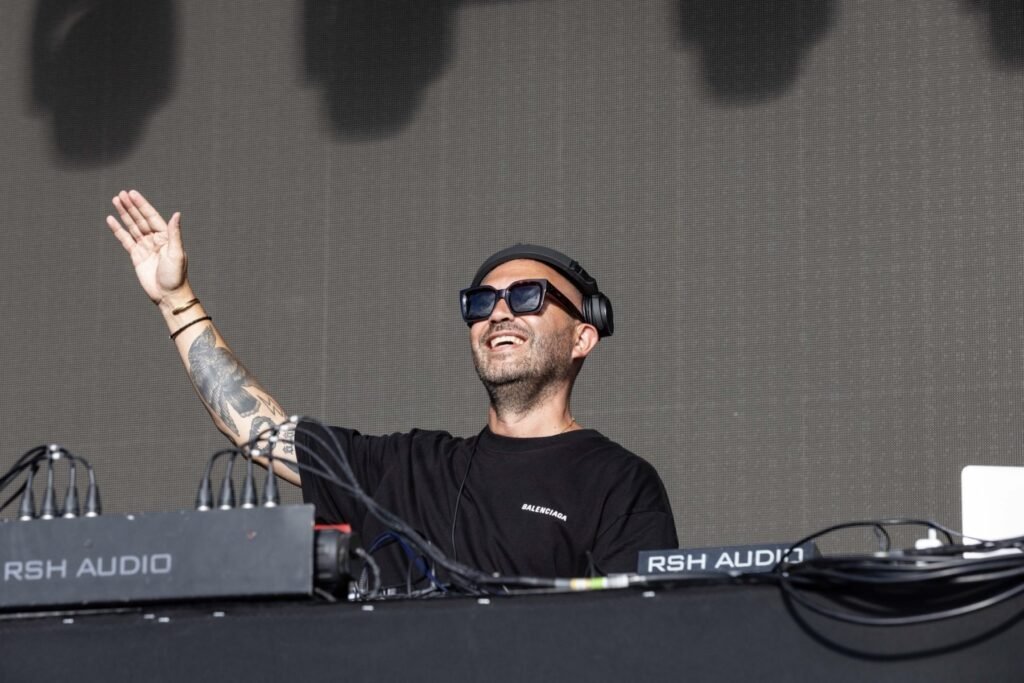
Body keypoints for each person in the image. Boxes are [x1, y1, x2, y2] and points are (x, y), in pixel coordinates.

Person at [106, 189, 677, 588]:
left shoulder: (619, 483)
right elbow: (258, 431)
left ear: (582, 337)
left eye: (526, 296)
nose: (498, 312)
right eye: (480, 303)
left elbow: (639, 641)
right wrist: (175, 299)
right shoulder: (406, 467)